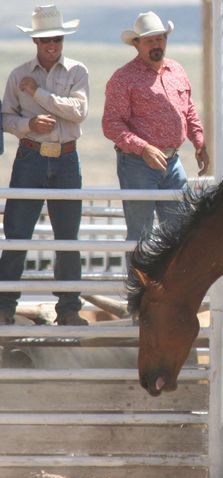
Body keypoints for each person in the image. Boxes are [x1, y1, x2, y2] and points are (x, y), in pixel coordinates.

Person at [0, 5, 89, 326]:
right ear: (36, 42)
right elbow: (6, 118)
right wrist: (28, 125)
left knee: (68, 237)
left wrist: (38, 93)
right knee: (17, 233)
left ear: (62, 40)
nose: (52, 44)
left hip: (65, 157)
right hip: (30, 156)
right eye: (45, 40)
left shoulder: (77, 71)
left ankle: (69, 310)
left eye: (57, 39)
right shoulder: (16, 75)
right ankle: (4, 305)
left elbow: (78, 111)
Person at [102, 11, 209, 262]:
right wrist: (143, 148)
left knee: (179, 229)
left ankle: (169, 293)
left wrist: (199, 141)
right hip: (138, 163)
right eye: (149, 40)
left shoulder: (177, 70)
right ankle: (139, 297)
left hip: (172, 161)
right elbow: (111, 124)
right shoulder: (123, 78)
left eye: (160, 38)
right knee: (141, 233)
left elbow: (188, 109)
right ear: (136, 44)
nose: (156, 44)